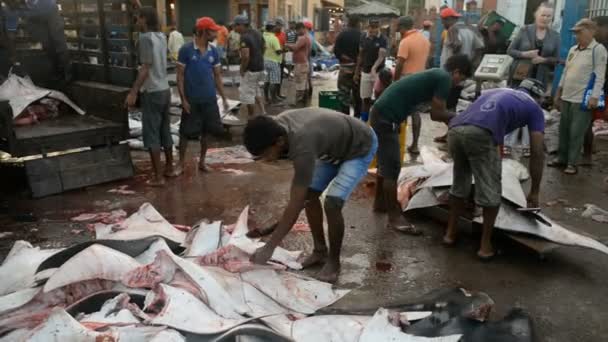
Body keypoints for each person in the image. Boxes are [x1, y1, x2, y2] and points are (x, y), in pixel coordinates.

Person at [244, 108, 378, 283]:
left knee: (332, 203)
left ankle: (333, 262)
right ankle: (320, 251)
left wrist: (269, 248)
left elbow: (296, 201)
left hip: (359, 146)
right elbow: (301, 199)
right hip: (332, 149)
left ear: (279, 142)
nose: (266, 160)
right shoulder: (275, 126)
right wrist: (273, 228)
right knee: (309, 196)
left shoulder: (302, 145)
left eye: (266, 154)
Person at [445, 79, 547, 260]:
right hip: (481, 133)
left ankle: (450, 235)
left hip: (454, 129)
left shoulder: (498, 92)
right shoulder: (534, 108)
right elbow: (537, 151)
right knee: (491, 192)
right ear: (538, 97)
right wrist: (535, 191)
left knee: (460, 184)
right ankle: (485, 247)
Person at [371, 55, 473, 233]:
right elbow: (436, 113)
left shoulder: (437, 74)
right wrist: (463, 118)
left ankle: (380, 204)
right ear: (456, 71)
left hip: (382, 113)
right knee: (392, 168)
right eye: (461, 78)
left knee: (385, 163)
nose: (459, 83)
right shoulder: (444, 78)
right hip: (386, 117)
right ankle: (394, 217)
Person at [125, 6, 175, 186]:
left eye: (138, 19)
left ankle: (158, 177)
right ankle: (169, 168)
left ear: (144, 19)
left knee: (152, 134)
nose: (136, 22)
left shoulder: (145, 38)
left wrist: (133, 92)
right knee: (165, 130)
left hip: (152, 91)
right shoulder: (161, 36)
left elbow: (145, 67)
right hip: (165, 89)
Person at [550, 19, 607, 175]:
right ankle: (562, 157)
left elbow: (600, 76)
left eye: (579, 32)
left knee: (576, 132)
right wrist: (558, 93)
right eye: (575, 33)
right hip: (567, 96)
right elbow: (565, 72)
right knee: (564, 130)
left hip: (582, 99)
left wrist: (594, 97)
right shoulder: (573, 49)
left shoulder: (598, 50)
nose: (577, 36)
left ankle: (572, 163)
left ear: (591, 31)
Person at [174, 17, 229, 175]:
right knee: (185, 133)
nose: (215, 33)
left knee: (208, 132)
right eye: (213, 30)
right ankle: (181, 164)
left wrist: (224, 98)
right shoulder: (186, 50)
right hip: (192, 100)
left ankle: (202, 162)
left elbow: (217, 76)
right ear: (204, 31)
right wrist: (183, 99)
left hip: (209, 100)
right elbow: (180, 76)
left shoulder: (214, 51)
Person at [504, 2, 560, 156]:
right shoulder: (524, 30)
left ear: (552, 18)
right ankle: (509, 142)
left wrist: (544, 60)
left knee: (533, 109)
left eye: (549, 16)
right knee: (515, 106)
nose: (545, 18)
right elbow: (510, 50)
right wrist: (525, 54)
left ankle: (527, 145)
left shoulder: (555, 36)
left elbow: (556, 59)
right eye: (543, 14)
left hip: (539, 78)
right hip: (520, 76)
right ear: (536, 15)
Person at [2, 0, 70, 83]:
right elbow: (10, 34)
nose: (12, 4)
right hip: (35, 19)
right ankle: (57, 70)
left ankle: (68, 71)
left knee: (58, 41)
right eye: (9, 3)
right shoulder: (11, 10)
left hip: (49, 9)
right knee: (47, 44)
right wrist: (14, 58)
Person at [394, 16, 431, 155]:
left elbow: (399, 64)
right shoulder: (424, 40)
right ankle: (414, 145)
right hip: (421, 78)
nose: (396, 29)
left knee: (401, 112)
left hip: (406, 79)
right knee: (415, 112)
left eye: (398, 26)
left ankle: (399, 143)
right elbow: (426, 61)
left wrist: (395, 81)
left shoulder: (405, 41)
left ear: (403, 27)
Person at [583, 16, 608, 165]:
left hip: (604, 90)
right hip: (594, 89)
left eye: (594, 28)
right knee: (587, 120)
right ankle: (587, 154)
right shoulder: (594, 45)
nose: (592, 32)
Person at [355, 19, 388, 122]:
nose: (372, 29)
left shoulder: (382, 39)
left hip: (378, 73)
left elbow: (381, 56)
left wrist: (374, 68)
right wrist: (357, 72)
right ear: (367, 27)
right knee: (365, 99)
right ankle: (364, 121)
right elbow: (360, 55)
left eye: (375, 27)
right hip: (365, 72)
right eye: (371, 27)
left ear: (378, 27)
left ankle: (378, 121)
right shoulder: (363, 37)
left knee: (379, 98)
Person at [233, 15, 266, 117]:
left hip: (250, 69)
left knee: (247, 94)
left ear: (241, 25)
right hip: (259, 67)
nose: (234, 28)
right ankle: (263, 112)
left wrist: (242, 69)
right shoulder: (257, 33)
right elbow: (264, 47)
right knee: (255, 89)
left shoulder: (244, 37)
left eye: (236, 25)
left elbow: (246, 56)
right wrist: (258, 57)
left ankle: (252, 118)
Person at [334, 15, 362, 116]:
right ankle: (357, 119)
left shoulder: (342, 35)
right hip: (358, 71)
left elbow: (336, 51)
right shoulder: (362, 35)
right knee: (358, 96)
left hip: (344, 70)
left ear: (349, 22)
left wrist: (345, 58)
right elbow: (364, 53)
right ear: (358, 23)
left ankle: (345, 118)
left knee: (343, 96)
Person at [286, 22, 312, 106]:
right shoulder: (307, 37)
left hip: (300, 63)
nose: (296, 32)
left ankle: (299, 102)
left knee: (300, 83)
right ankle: (304, 101)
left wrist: (287, 44)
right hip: (304, 62)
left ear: (301, 29)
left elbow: (295, 47)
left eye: (297, 30)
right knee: (304, 83)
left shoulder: (303, 38)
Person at [263, 20, 283, 105]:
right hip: (274, 61)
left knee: (266, 81)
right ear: (272, 28)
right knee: (274, 81)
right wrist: (285, 50)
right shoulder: (274, 38)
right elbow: (278, 51)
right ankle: (274, 100)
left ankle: (266, 99)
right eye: (275, 27)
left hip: (264, 61)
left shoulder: (263, 36)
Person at [274, 17, 288, 99]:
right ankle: (273, 96)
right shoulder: (272, 35)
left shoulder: (283, 34)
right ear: (276, 25)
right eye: (279, 25)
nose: (280, 27)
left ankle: (278, 93)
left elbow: (284, 46)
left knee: (280, 78)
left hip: (281, 59)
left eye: (282, 26)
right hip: (273, 59)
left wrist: (284, 58)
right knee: (273, 79)